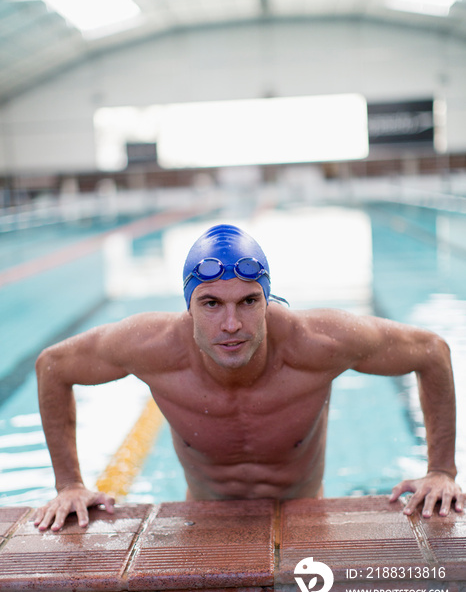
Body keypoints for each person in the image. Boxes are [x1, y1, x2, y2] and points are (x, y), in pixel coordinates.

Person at [34, 223, 464, 532]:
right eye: (211, 304)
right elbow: (53, 366)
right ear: (188, 305)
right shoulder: (150, 346)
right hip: (201, 522)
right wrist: (69, 483)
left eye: (247, 301)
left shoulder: (318, 342)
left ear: (267, 299)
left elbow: (431, 352)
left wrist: (442, 470)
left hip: (302, 518)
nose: (232, 324)